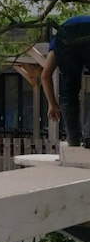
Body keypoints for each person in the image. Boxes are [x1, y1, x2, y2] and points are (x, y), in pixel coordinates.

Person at [41, 15, 90, 147]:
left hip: (66, 35)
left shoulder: (57, 41)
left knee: (69, 89)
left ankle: (73, 141)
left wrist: (52, 103)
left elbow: (45, 75)